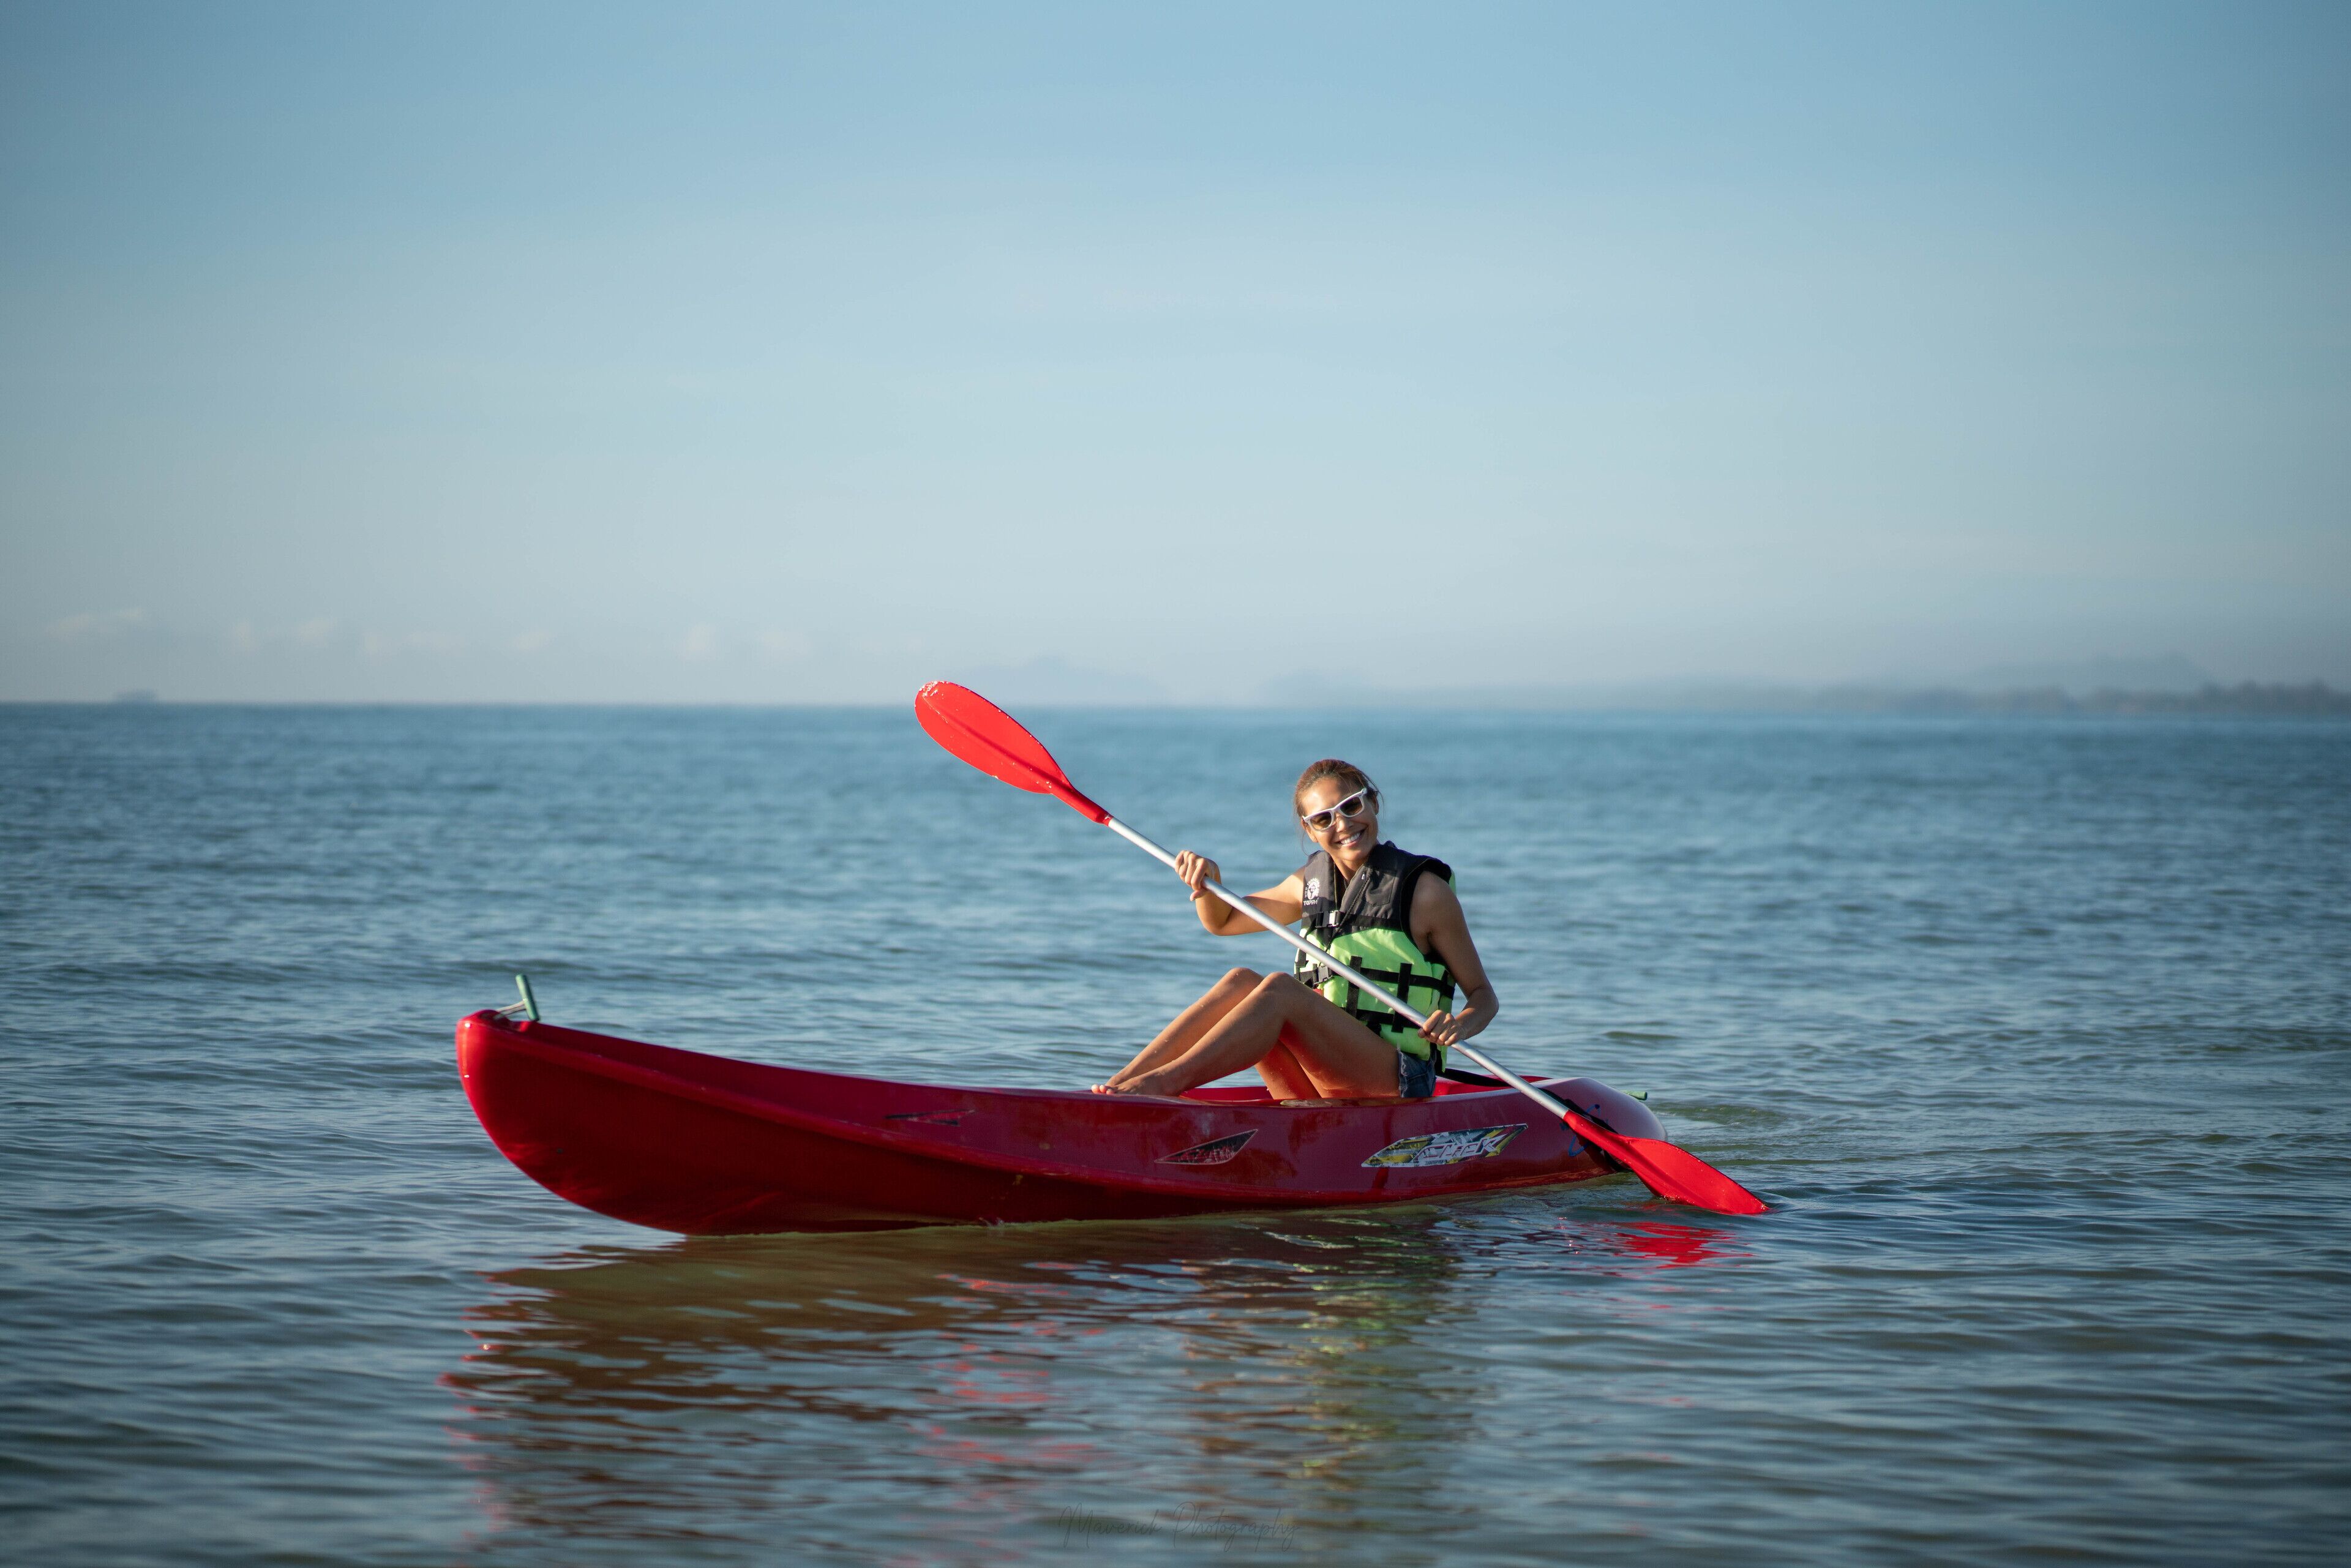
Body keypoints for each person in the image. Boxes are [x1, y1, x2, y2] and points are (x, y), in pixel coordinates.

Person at [1091, 759, 1498, 1101]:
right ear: (1310, 830)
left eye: (1351, 806)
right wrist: (1205, 883)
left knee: (1282, 991)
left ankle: (1162, 1086)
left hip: (1400, 1077)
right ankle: (1117, 1089)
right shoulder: (1310, 884)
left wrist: (1459, 1024)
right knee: (1241, 983)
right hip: (1326, 1075)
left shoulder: (1426, 893)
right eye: (1324, 818)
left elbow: (1483, 997)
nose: (1342, 824)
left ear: (1373, 803)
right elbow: (1224, 921)